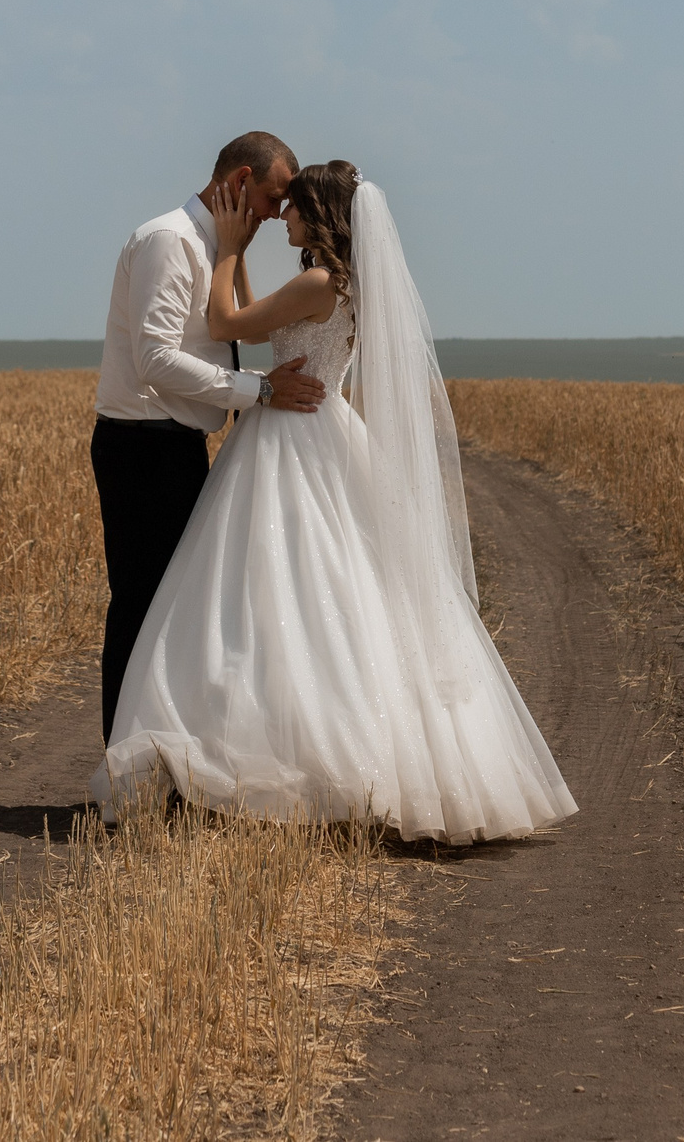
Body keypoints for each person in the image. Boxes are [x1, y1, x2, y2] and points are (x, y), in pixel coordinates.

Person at [92, 159, 577, 843]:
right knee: (325, 589)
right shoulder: (336, 285)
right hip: (318, 427)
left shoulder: (318, 283)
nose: (279, 217)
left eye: (290, 208)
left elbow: (226, 318)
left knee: (274, 589)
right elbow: (259, 328)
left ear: (317, 216)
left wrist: (228, 252)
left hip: (290, 433)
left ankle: (276, 763)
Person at [91, 132, 327, 744]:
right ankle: (125, 773)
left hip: (177, 446)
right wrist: (261, 391)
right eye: (274, 197)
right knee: (142, 609)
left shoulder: (213, 246)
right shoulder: (170, 241)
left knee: (179, 614)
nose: (278, 214)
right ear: (240, 179)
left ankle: (161, 765)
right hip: (142, 448)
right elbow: (155, 361)